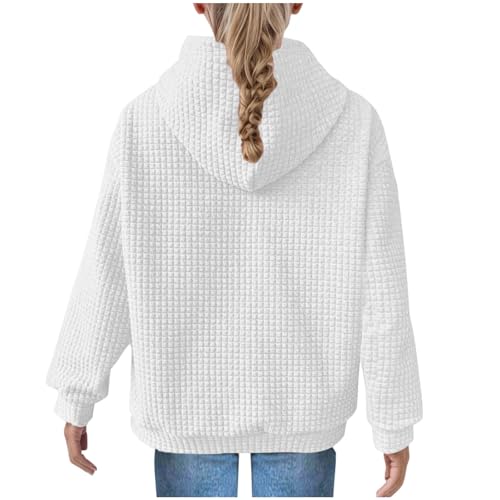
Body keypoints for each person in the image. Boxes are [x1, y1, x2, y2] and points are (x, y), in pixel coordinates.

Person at [45, 3, 423, 497]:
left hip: (184, 408)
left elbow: (107, 273)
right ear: (296, 3)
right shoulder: (355, 123)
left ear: (199, 4)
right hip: (304, 409)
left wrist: (77, 395)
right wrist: (393, 423)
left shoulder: (144, 121)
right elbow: (382, 292)